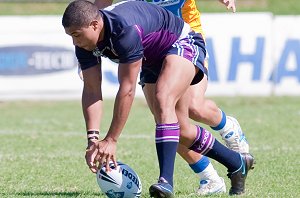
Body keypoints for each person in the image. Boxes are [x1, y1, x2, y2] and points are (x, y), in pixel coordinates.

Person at [62, 1, 254, 197]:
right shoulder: (83, 43)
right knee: (179, 130)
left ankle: (165, 182)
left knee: (165, 99)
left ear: (95, 25)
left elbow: (127, 90)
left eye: (77, 35)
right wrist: (92, 140)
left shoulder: (124, 30)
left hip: (182, 41)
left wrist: (111, 139)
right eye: (71, 36)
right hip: (150, 57)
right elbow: (92, 90)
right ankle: (236, 163)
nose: (74, 42)